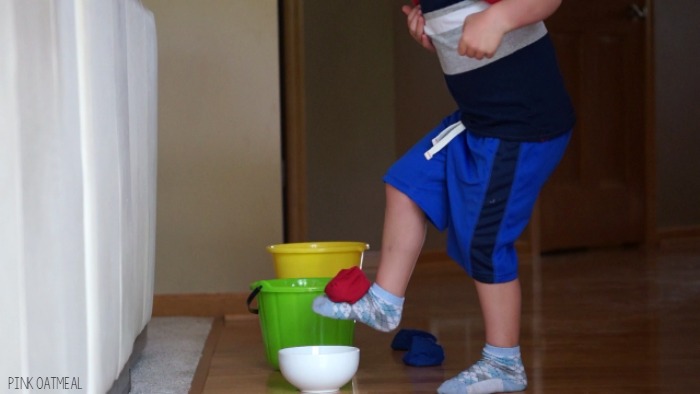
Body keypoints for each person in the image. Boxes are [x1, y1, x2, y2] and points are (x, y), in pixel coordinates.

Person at [313, 0, 575, 393]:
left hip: (521, 126)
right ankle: (384, 303)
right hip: (479, 119)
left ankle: (503, 363)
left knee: (483, 242)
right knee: (406, 184)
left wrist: (498, 17)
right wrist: (435, 33)